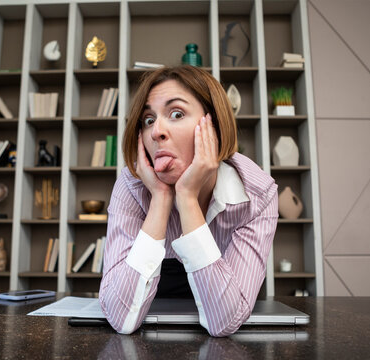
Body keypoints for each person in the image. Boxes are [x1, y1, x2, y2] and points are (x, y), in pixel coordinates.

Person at [99, 65, 278, 337]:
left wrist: (187, 198)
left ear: (214, 126)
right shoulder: (131, 186)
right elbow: (119, 317)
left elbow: (224, 322)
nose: (156, 130)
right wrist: (160, 198)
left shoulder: (257, 195)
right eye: (148, 119)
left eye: (176, 113)